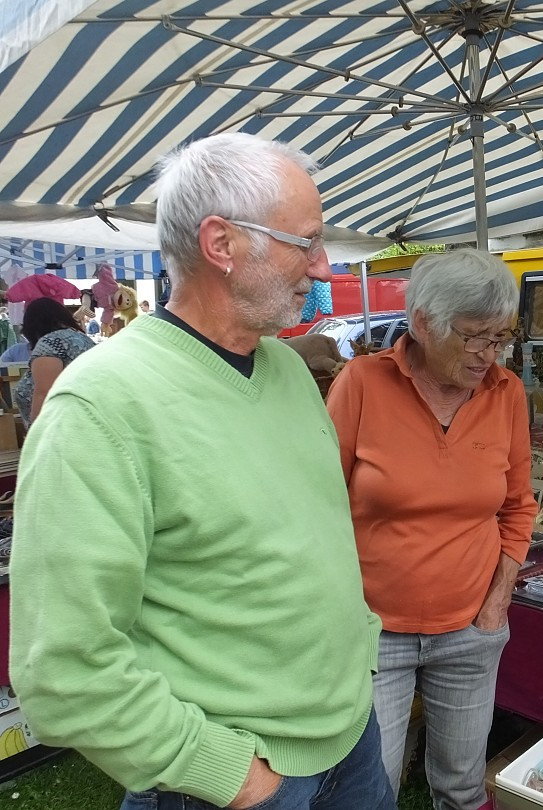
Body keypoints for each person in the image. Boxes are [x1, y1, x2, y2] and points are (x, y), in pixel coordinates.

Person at [9, 133, 395, 810]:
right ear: (221, 244)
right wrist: (231, 775)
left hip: (348, 736)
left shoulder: (285, 369)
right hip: (237, 776)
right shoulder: (100, 405)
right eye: (305, 241)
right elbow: (63, 668)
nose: (325, 266)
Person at [326, 248, 536, 809]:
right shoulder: (362, 382)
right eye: (474, 337)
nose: (489, 354)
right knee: (370, 791)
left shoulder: (505, 392)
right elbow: (318, 503)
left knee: (463, 788)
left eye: (501, 338)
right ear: (422, 323)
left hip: (471, 629)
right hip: (373, 633)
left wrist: (496, 604)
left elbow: (518, 507)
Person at [12, 297, 96, 427]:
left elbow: (45, 393)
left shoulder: (50, 343)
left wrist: (37, 435)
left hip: (61, 430)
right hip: (85, 424)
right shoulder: (83, 339)